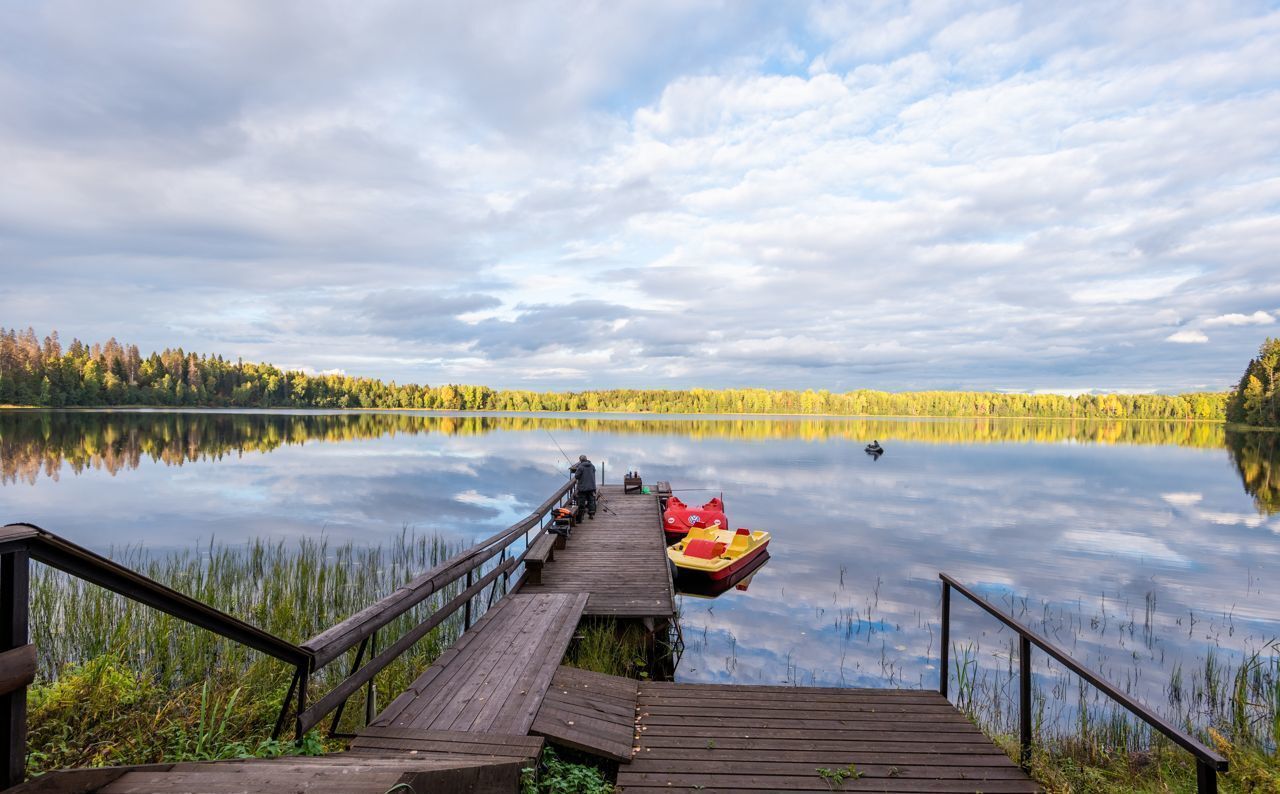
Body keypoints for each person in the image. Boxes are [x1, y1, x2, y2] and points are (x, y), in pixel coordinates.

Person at [569, 454, 597, 521]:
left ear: (580, 460)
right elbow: (593, 471)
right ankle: (591, 514)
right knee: (591, 500)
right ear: (586, 459)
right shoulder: (592, 466)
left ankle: (581, 516)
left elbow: (577, 476)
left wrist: (577, 471)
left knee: (581, 501)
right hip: (591, 487)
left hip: (582, 488)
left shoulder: (580, 467)